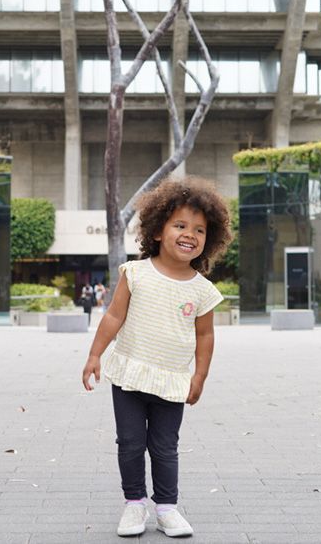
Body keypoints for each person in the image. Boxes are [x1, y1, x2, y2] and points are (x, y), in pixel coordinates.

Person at [81, 177, 231, 538]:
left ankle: (167, 508)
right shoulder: (136, 273)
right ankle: (134, 504)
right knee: (130, 443)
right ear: (158, 230)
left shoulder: (202, 289)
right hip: (129, 374)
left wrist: (200, 376)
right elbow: (114, 317)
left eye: (199, 229)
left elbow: (205, 335)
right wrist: (94, 355)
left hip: (171, 379)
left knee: (165, 448)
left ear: (208, 239)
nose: (189, 234)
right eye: (180, 225)